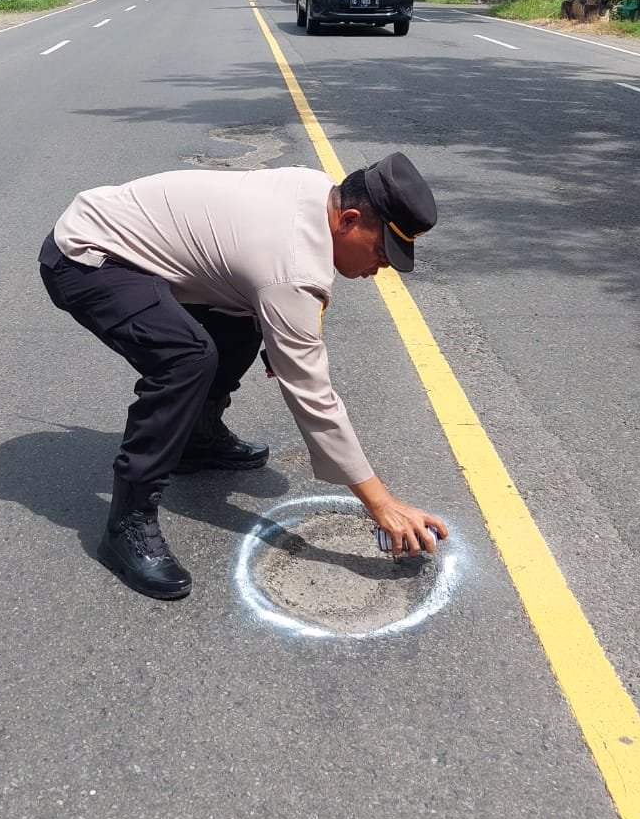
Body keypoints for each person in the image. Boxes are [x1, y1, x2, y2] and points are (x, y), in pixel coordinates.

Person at [39, 152, 449, 599]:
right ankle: (127, 524)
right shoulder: (291, 269)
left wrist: (277, 334)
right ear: (349, 219)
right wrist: (381, 503)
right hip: (87, 256)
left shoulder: (315, 188)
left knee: (237, 326)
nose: (381, 268)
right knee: (186, 358)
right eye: (381, 251)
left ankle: (196, 440)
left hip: (134, 245)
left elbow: (247, 270)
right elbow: (312, 394)